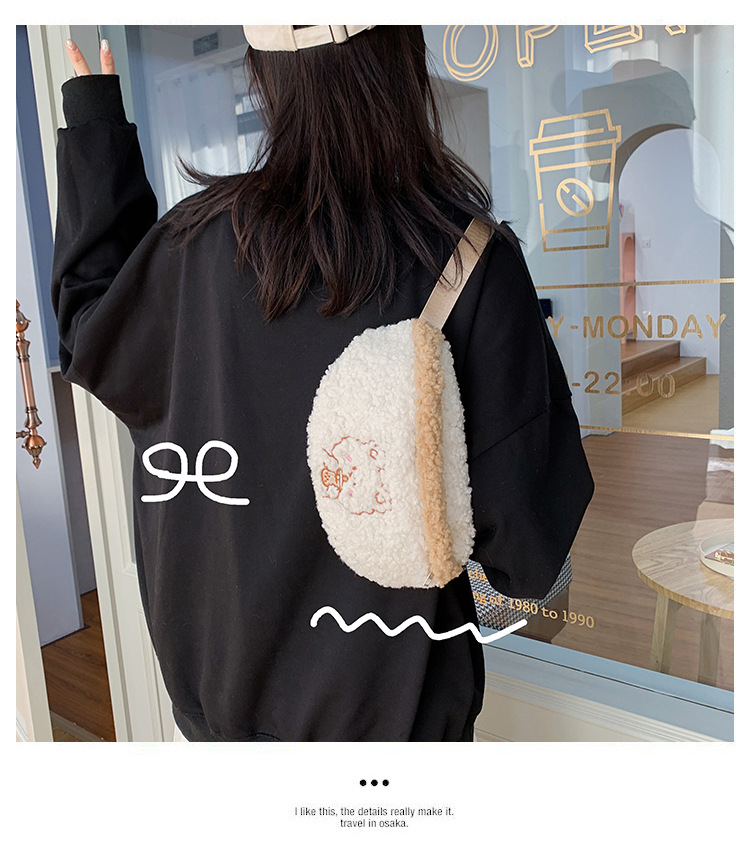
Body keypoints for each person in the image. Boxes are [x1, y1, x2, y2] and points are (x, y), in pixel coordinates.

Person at [52, 25, 594, 742]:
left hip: (216, 736)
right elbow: (526, 555)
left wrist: (95, 127)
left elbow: (93, 330)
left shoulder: (191, 246)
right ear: (405, 58)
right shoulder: (467, 265)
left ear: (264, 76)